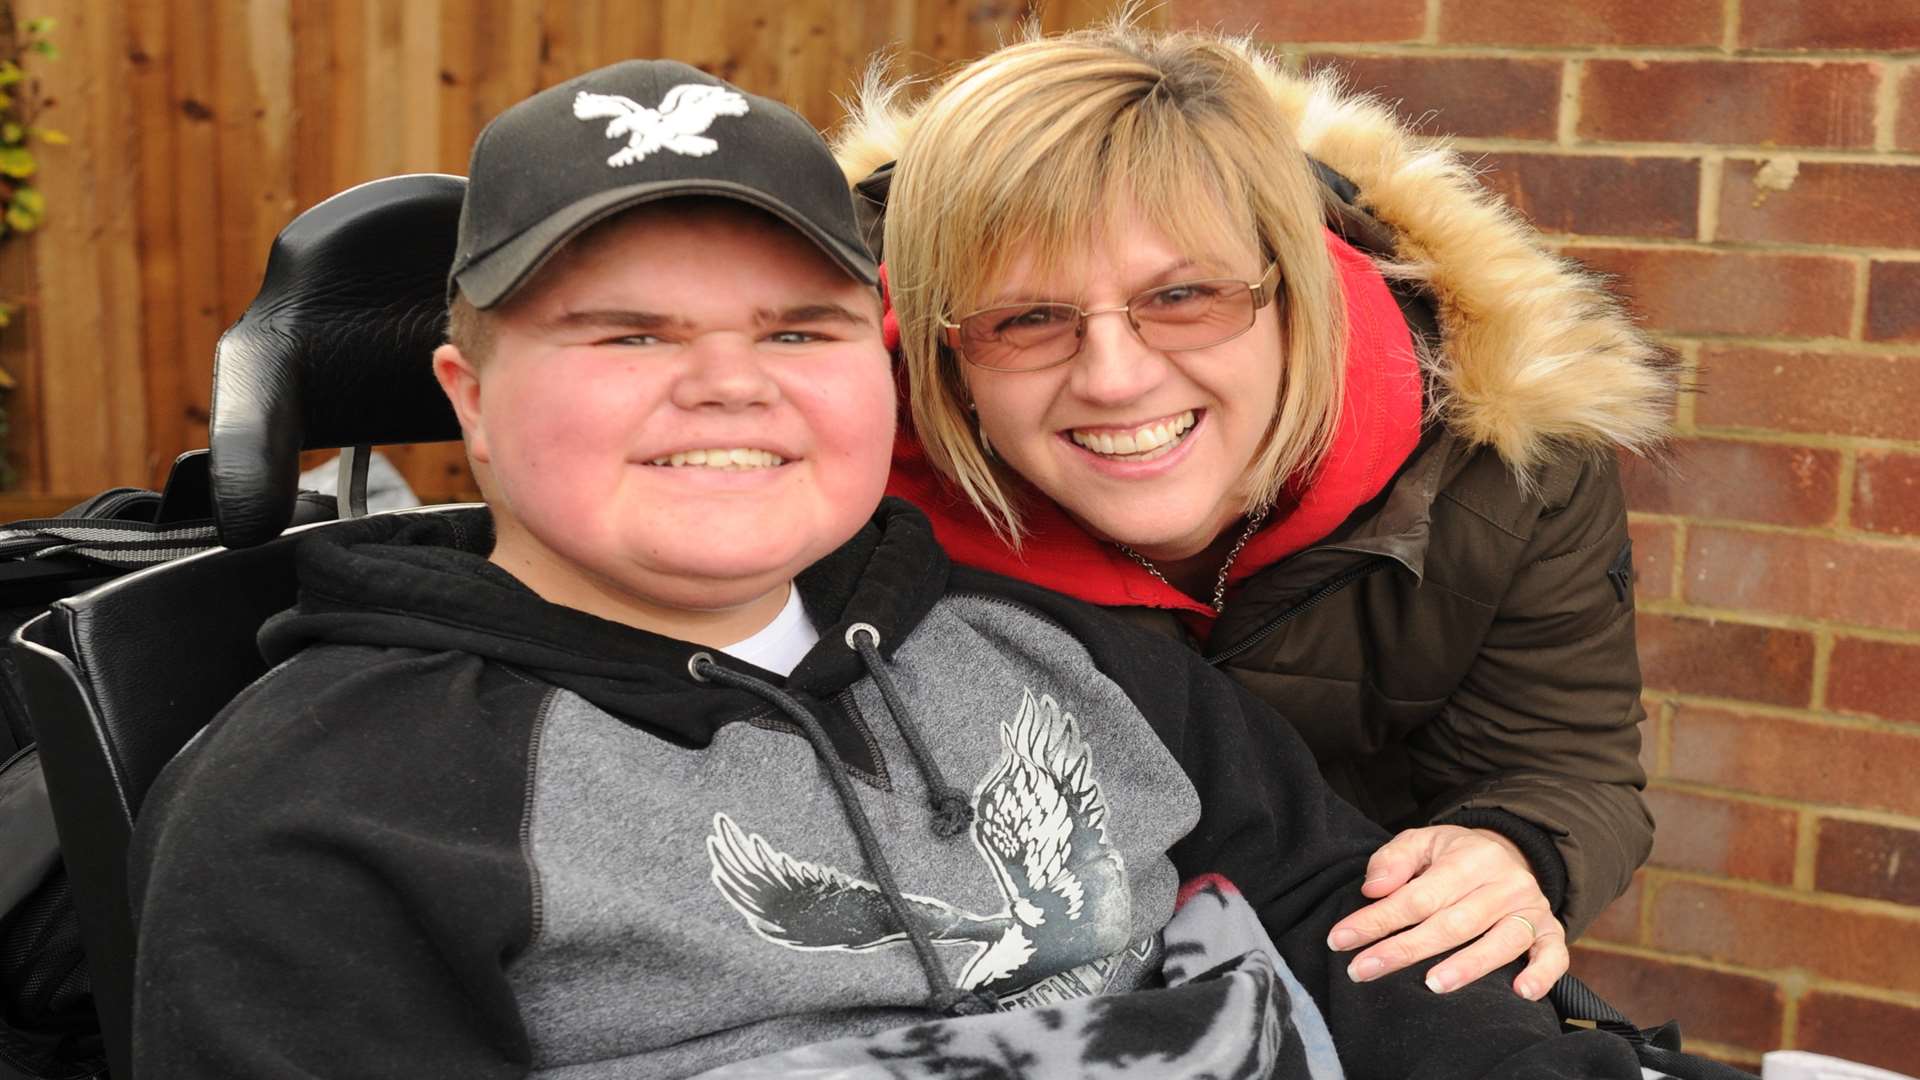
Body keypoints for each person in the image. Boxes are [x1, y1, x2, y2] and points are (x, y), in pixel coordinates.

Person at [128, 59, 1646, 1079]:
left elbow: (1381, 967)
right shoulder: (325, 809)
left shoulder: (1068, 654)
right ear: (468, 392)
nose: (731, 386)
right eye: (628, 334)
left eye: (795, 330)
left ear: (881, 372)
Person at [840, 20, 1673, 1001]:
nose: (1115, 378)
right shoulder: (831, 489)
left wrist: (1511, 848)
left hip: (1356, 983)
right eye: (1028, 319)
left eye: (1186, 296)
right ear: (945, 354)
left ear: (1298, 292)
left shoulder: (1501, 461)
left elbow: (1562, 760)